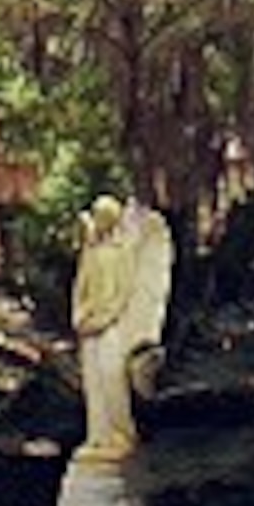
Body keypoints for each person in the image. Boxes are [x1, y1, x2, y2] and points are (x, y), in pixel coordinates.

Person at [70, 195, 171, 460]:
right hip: (89, 325)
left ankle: (121, 434)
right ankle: (98, 436)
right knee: (93, 383)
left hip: (110, 325)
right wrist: (79, 316)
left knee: (111, 378)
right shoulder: (90, 250)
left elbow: (125, 291)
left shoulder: (123, 252)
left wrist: (106, 317)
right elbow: (81, 286)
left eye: (103, 216)